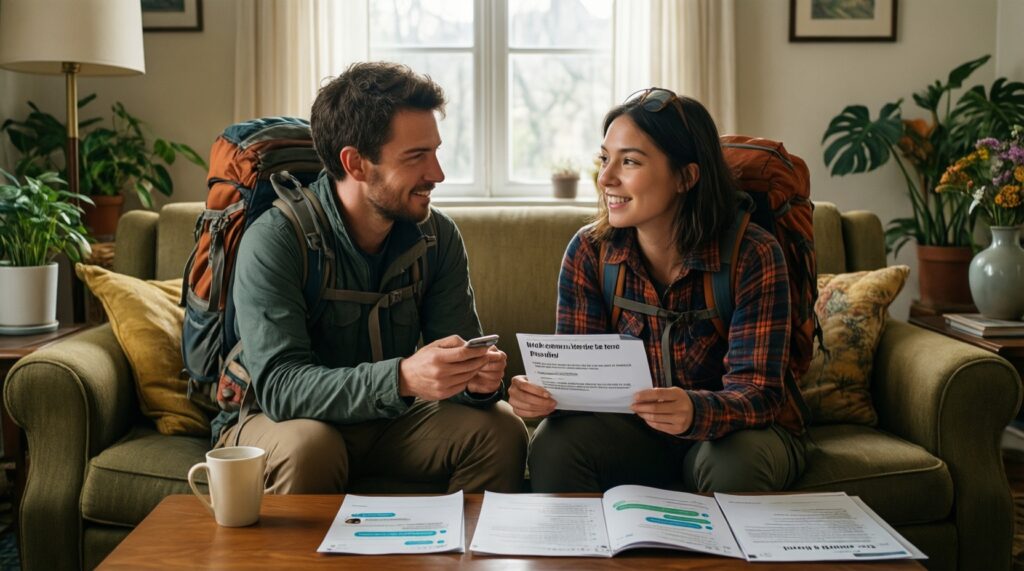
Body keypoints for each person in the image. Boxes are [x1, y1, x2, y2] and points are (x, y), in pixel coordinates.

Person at [217, 62, 528, 494]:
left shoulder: (438, 237)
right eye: (417, 156)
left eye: (435, 152)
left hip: (388, 422)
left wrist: (475, 381)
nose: (437, 174)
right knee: (312, 446)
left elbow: (460, 361)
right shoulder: (275, 240)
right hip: (284, 423)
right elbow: (281, 389)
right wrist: (403, 377)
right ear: (356, 164)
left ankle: (464, 557)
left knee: (501, 428)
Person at [509, 88, 806, 493]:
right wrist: (546, 396)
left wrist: (695, 410)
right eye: (604, 159)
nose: (606, 178)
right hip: (638, 436)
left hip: (735, 436)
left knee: (734, 462)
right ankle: (578, 557)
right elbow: (583, 384)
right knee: (554, 443)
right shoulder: (589, 251)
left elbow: (760, 393)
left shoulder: (752, 254)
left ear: (686, 176)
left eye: (629, 161)